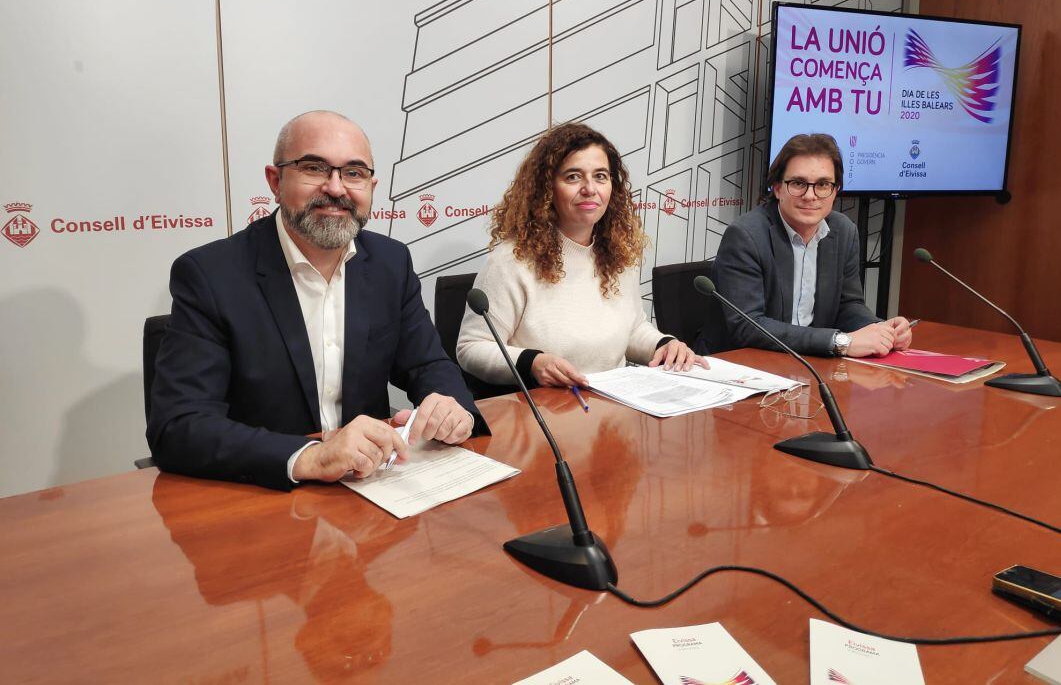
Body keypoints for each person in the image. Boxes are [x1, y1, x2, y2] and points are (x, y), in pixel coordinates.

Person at [148, 110, 488, 491]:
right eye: (314, 168)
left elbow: (427, 363)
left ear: (372, 185)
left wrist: (450, 406)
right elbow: (178, 426)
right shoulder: (210, 274)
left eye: (354, 173)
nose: (337, 188)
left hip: (371, 489)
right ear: (275, 181)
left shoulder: (390, 262)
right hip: (263, 492)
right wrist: (311, 456)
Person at [456, 121, 704, 390]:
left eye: (600, 176)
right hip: (544, 410)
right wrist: (532, 363)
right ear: (547, 188)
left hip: (614, 406)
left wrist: (665, 345)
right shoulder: (511, 261)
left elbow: (631, 329)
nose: (590, 188)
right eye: (573, 177)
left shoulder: (617, 254)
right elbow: (471, 347)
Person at [696, 133, 912, 358]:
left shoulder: (843, 231)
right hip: (742, 365)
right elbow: (749, 326)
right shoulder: (746, 235)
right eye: (798, 183)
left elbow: (848, 306)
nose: (810, 195)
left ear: (835, 190)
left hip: (810, 361)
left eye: (822, 184)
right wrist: (840, 341)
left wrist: (882, 330)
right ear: (777, 188)